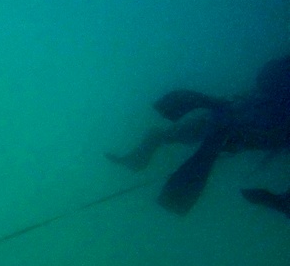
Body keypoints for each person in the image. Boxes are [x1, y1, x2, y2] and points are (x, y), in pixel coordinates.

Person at [106, 55, 290, 215]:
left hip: (255, 115)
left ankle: (152, 144)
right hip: (258, 115)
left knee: (216, 124)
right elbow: (267, 78)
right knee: (218, 125)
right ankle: (152, 145)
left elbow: (267, 78)